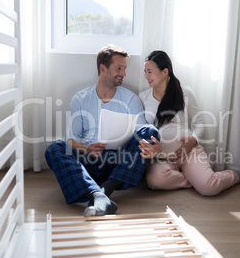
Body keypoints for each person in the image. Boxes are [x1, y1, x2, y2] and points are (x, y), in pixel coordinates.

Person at [45, 45, 159, 216]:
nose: (123, 73)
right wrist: (86, 148)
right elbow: (70, 139)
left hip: (119, 162)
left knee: (150, 130)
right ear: (103, 68)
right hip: (89, 161)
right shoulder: (80, 98)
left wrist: (154, 145)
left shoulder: (130, 99)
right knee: (55, 148)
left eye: (125, 69)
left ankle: (105, 190)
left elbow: (142, 131)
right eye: (119, 68)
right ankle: (98, 195)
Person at [138, 50, 240, 196]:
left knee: (210, 189)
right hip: (162, 157)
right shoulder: (143, 97)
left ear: (165, 72)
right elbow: (143, 130)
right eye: (145, 71)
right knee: (154, 181)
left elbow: (200, 122)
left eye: (149, 71)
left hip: (188, 152)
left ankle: (235, 176)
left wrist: (193, 139)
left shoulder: (184, 92)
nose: (146, 76)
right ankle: (198, 180)